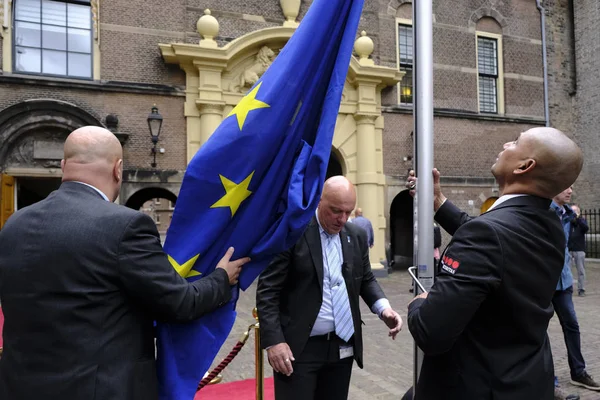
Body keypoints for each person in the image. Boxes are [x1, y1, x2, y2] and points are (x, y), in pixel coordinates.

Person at [0, 126, 250, 400]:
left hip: (20, 387)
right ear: (118, 169)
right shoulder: (124, 226)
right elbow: (179, 303)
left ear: (63, 166)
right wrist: (221, 278)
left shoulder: (14, 224)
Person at [406, 127, 583, 400]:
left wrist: (420, 302)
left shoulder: (489, 235)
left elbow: (432, 333)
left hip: (478, 385)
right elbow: (492, 238)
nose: (505, 144)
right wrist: (438, 201)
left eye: (515, 142)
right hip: (525, 381)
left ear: (525, 166)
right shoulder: (549, 224)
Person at [256, 176, 403, 400]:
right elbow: (268, 290)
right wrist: (274, 341)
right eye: (335, 211)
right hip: (298, 349)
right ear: (318, 201)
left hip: (341, 347)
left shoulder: (357, 235)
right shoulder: (292, 234)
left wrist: (384, 308)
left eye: (348, 211)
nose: (342, 219)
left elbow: (365, 278)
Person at [551, 189, 599, 396]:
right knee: (539, 331)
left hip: (564, 282)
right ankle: (547, 377)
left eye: (571, 186)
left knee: (572, 325)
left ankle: (578, 372)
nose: (570, 190)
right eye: (565, 186)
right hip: (544, 283)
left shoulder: (569, 214)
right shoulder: (544, 212)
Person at [568, 204, 588, 297]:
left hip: (579, 250)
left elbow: (585, 228)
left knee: (581, 271)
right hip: (569, 249)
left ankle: (581, 289)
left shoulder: (582, 221)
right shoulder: (568, 222)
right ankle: (568, 289)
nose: (573, 212)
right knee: (567, 270)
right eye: (572, 210)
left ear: (579, 212)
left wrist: (578, 218)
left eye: (575, 210)